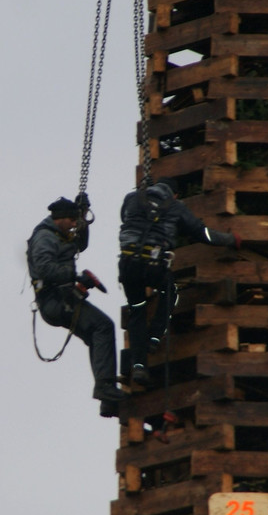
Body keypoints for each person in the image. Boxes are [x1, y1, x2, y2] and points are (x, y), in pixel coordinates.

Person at [119, 177, 241, 386]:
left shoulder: (132, 198)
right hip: (154, 266)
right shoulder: (176, 207)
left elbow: (126, 217)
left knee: (137, 310)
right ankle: (155, 337)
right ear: (175, 194)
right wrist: (231, 240)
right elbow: (203, 234)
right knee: (170, 292)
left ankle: (139, 366)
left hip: (128, 265)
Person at [27, 196, 125, 418]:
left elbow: (80, 244)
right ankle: (105, 388)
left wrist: (83, 215)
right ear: (59, 218)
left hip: (60, 299)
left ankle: (107, 399)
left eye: (75, 220)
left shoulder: (60, 235)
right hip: (55, 301)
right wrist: (75, 275)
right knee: (103, 327)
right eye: (71, 220)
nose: (73, 224)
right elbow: (44, 269)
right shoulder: (45, 237)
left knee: (96, 335)